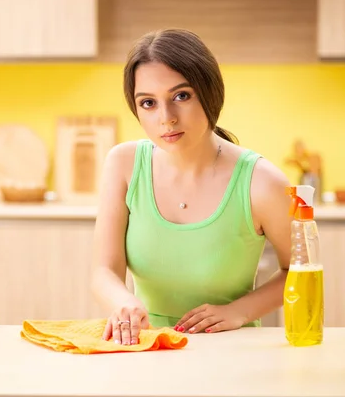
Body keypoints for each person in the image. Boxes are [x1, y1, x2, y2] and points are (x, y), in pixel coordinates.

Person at [91, 28, 293, 345]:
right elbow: (104, 270)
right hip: (145, 347)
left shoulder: (263, 182)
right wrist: (123, 303)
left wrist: (239, 311)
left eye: (181, 96)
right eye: (148, 103)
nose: (166, 118)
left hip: (231, 349)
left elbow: (302, 272)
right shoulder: (124, 164)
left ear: (210, 92)